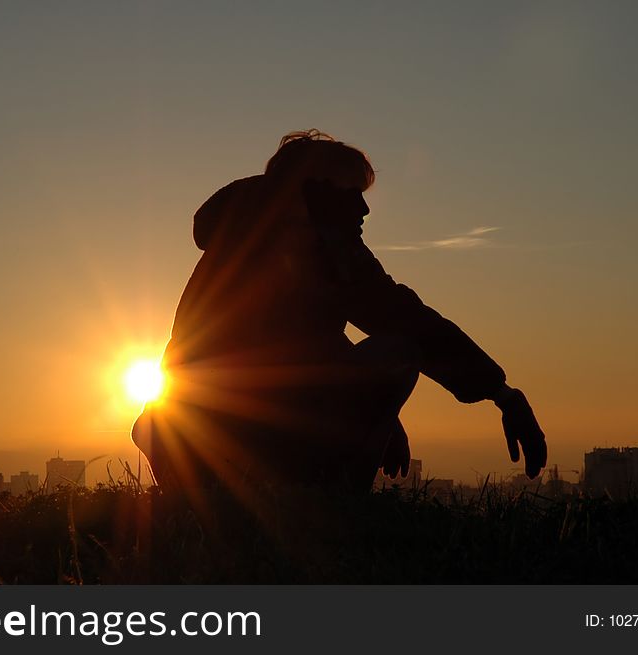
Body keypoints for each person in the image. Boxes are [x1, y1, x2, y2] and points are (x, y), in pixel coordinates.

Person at [133, 130, 546, 493]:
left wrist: (381, 414)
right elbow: (406, 321)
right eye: (352, 195)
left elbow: (289, 343)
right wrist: (501, 393)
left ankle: (204, 490)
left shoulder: (240, 242)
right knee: (396, 352)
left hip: (187, 441)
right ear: (313, 191)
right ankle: (334, 499)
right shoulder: (325, 248)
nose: (363, 211)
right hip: (246, 441)